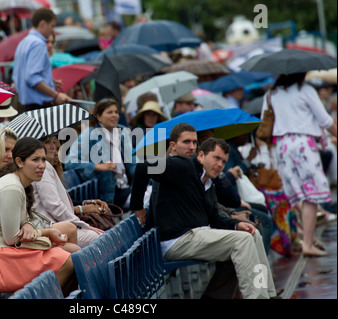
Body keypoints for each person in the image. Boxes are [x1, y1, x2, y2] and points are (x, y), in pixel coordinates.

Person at [130, 137, 278, 299]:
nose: (220, 165)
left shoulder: (208, 183)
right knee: (242, 241)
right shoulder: (183, 166)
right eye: (216, 158)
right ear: (201, 156)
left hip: (196, 235)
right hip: (177, 240)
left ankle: (269, 295)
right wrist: (138, 207)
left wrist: (237, 225)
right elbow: (143, 167)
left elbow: (214, 217)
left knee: (253, 234)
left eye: (223, 161)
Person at [0, 137, 76, 294]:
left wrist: (27, 224)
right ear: (20, 162)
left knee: (71, 240)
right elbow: (11, 238)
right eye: (35, 160)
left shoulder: (19, 183)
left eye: (43, 159)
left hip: (0, 249)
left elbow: (19, 224)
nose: (42, 165)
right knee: (69, 259)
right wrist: (45, 232)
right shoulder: (12, 188)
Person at [260, 72, 337, 257]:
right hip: (303, 144)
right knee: (311, 195)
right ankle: (308, 243)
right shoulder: (306, 90)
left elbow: (264, 121)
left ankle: (305, 235)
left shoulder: (271, 94)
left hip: (281, 147)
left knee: (295, 194)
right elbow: (325, 120)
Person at [32, 136, 106, 248]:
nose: (53, 148)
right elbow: (54, 205)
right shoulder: (44, 167)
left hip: (57, 225)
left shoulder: (47, 167)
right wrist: (83, 225)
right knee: (102, 239)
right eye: (48, 143)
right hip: (52, 229)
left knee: (103, 237)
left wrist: (84, 205)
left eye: (55, 145)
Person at [64, 98, 137, 209]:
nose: (114, 115)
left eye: (116, 112)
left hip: (128, 186)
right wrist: (97, 166)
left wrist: (143, 181)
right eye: (109, 112)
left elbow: (133, 163)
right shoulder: (88, 135)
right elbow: (69, 162)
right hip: (107, 194)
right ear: (98, 117)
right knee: (148, 200)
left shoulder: (122, 132)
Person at [12, 8, 70, 110]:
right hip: (38, 106)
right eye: (52, 25)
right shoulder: (38, 44)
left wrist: (48, 82)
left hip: (25, 104)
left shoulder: (24, 42)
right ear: (43, 23)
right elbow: (32, 78)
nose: (53, 30)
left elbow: (23, 75)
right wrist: (56, 95)